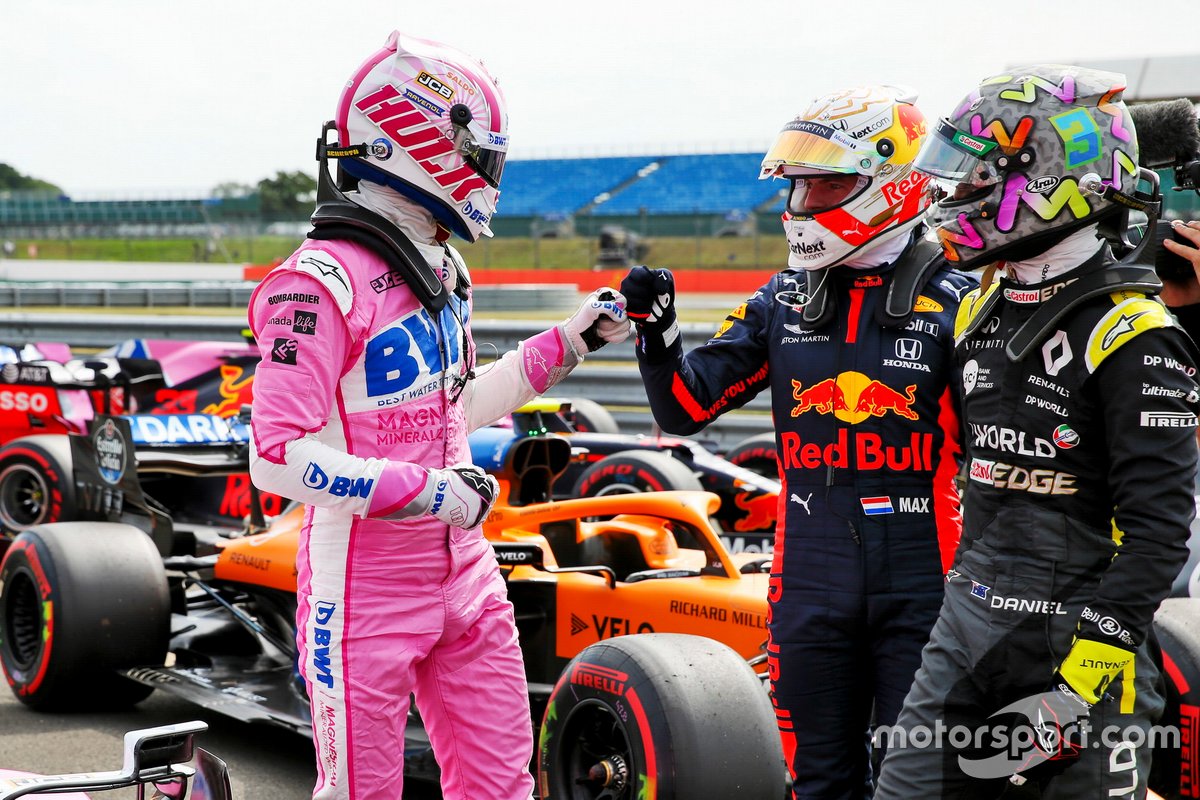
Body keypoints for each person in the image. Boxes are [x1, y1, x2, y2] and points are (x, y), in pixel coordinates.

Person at [246, 31, 629, 800]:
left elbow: (454, 414)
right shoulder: (315, 285)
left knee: (501, 787)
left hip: (465, 571)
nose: (489, 176)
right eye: (480, 156)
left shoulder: (443, 267)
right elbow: (274, 457)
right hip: (360, 587)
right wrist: (426, 493)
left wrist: (574, 338)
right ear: (415, 139)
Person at [620, 85, 976, 798]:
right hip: (809, 572)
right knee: (818, 780)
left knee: (919, 780)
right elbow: (685, 407)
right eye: (799, 182)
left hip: (925, 577)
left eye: (826, 181)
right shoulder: (779, 299)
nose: (803, 201)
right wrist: (657, 336)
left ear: (891, 184)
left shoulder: (962, 301)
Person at [873, 64, 1200, 799]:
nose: (955, 197)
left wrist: (1079, 684)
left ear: (1052, 178)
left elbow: (1157, 538)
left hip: (1085, 652)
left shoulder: (1135, 334)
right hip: (967, 630)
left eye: (974, 178)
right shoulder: (975, 309)